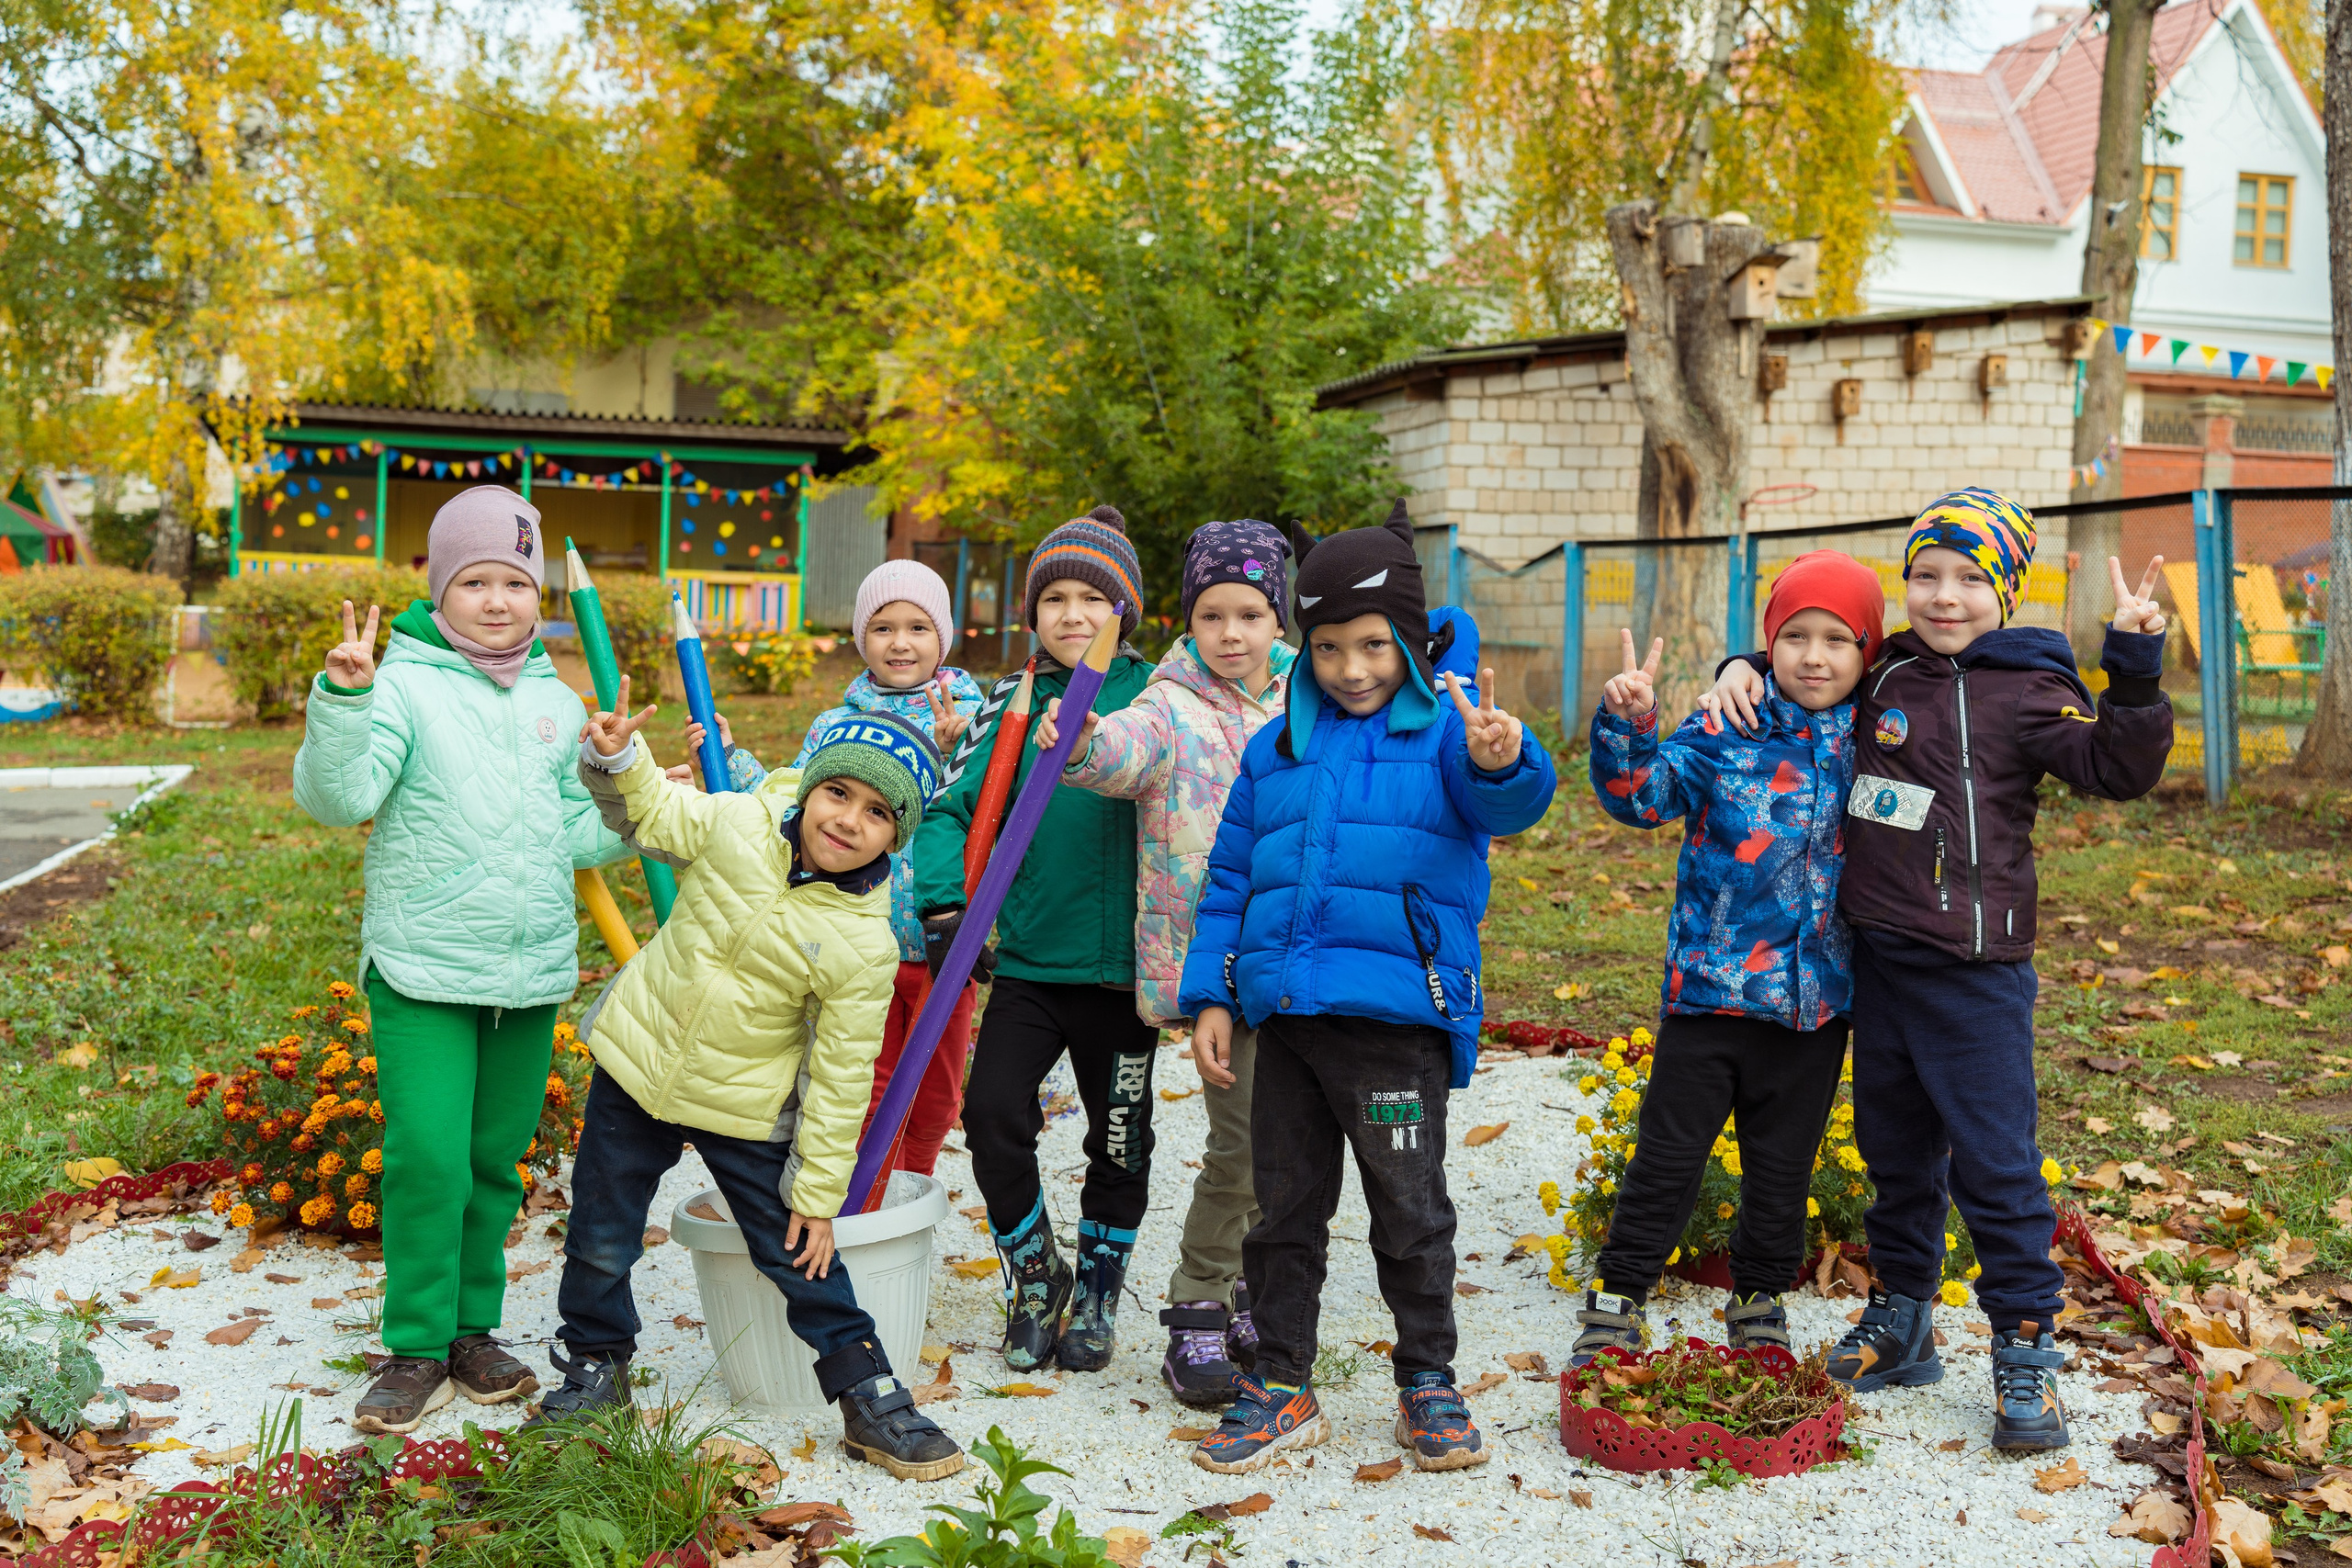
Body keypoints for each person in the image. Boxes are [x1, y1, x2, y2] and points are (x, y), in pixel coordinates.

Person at [1704, 490, 2172, 1450]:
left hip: (1977, 973)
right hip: (1879, 960)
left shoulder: (2029, 687)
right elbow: (1810, 657)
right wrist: (1738, 667)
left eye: (1967, 578)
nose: (1943, 597)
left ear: (2003, 590)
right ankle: (1905, 1317)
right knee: (1895, 1154)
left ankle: (2026, 1347)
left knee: (1998, 1168)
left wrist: (2131, 665)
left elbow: (2116, 768)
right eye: (1924, 576)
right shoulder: (1886, 675)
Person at [1179, 502, 1557, 1476]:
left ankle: (1426, 1379)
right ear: (1305, 643)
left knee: (1410, 1209)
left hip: (1395, 1029)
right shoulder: (1276, 750)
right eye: (1332, 646)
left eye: (1375, 646)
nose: (1352, 668)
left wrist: (1503, 759)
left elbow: (1507, 800)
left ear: (1412, 642)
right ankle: (1282, 1380)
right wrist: (1214, 995)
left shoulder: (1448, 736)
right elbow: (1228, 883)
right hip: (1290, 1027)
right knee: (1283, 1212)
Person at [537, 688, 967, 1481]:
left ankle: (866, 1390)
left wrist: (817, 1192)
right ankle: (596, 1364)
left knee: (798, 1248)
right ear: (809, 789)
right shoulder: (736, 822)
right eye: (838, 791)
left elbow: (841, 1077)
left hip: (742, 1105)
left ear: (894, 837)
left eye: (875, 811)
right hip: (639, 1064)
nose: (846, 818)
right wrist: (617, 758)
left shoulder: (863, 944)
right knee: (601, 1229)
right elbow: (653, 812)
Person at [291, 486, 627, 1435]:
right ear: (440, 591)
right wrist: (345, 698)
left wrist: (632, 792)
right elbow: (337, 795)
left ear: (537, 597)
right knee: (430, 1157)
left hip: (526, 976)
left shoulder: (558, 703)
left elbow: (576, 833)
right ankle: (415, 1345)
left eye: (514, 582)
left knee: (493, 1161)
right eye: (473, 580)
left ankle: (473, 1331)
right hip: (425, 967)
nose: (495, 600)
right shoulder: (398, 684)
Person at [1569, 551, 1883, 1370]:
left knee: (1782, 1168)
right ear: (1768, 643)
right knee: (1668, 1155)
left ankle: (1760, 1296)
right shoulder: (1725, 725)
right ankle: (1617, 1296)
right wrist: (1630, 722)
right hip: (1710, 996)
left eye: (1838, 640)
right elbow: (1640, 796)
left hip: (1815, 1007)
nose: (1815, 656)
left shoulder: (1877, 739)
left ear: (1867, 653)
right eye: (1795, 636)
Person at [1031, 517, 1295, 1406]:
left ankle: (1255, 1292)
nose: (1230, 634)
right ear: (1190, 620)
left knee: (1289, 1146)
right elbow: (1119, 752)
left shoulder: (1312, 702)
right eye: (1212, 615)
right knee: (1241, 1145)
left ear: (1277, 619)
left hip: (1306, 960)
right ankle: (1196, 1309)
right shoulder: (1169, 705)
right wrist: (1075, 744)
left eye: (1250, 614)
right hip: (1216, 969)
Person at [911, 506, 1157, 1373]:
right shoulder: (1009, 707)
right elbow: (945, 811)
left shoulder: (1157, 699)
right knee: (990, 1115)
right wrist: (946, 908)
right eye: (1054, 597)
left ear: (1125, 609)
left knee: (1119, 1135)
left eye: (1094, 596)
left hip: (1126, 972)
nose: (1073, 614)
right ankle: (1034, 1270)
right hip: (1028, 962)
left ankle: (1097, 1284)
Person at [678, 559, 985, 1177]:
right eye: (883, 627)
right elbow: (790, 801)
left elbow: (989, 813)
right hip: (855, 941)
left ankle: (912, 1188)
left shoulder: (973, 720)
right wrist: (731, 759)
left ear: (943, 638)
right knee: (866, 1087)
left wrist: (961, 754)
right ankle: (861, 1202)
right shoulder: (835, 726)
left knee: (937, 1095)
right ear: (860, 637)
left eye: (918, 627)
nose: (900, 642)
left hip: (942, 940)